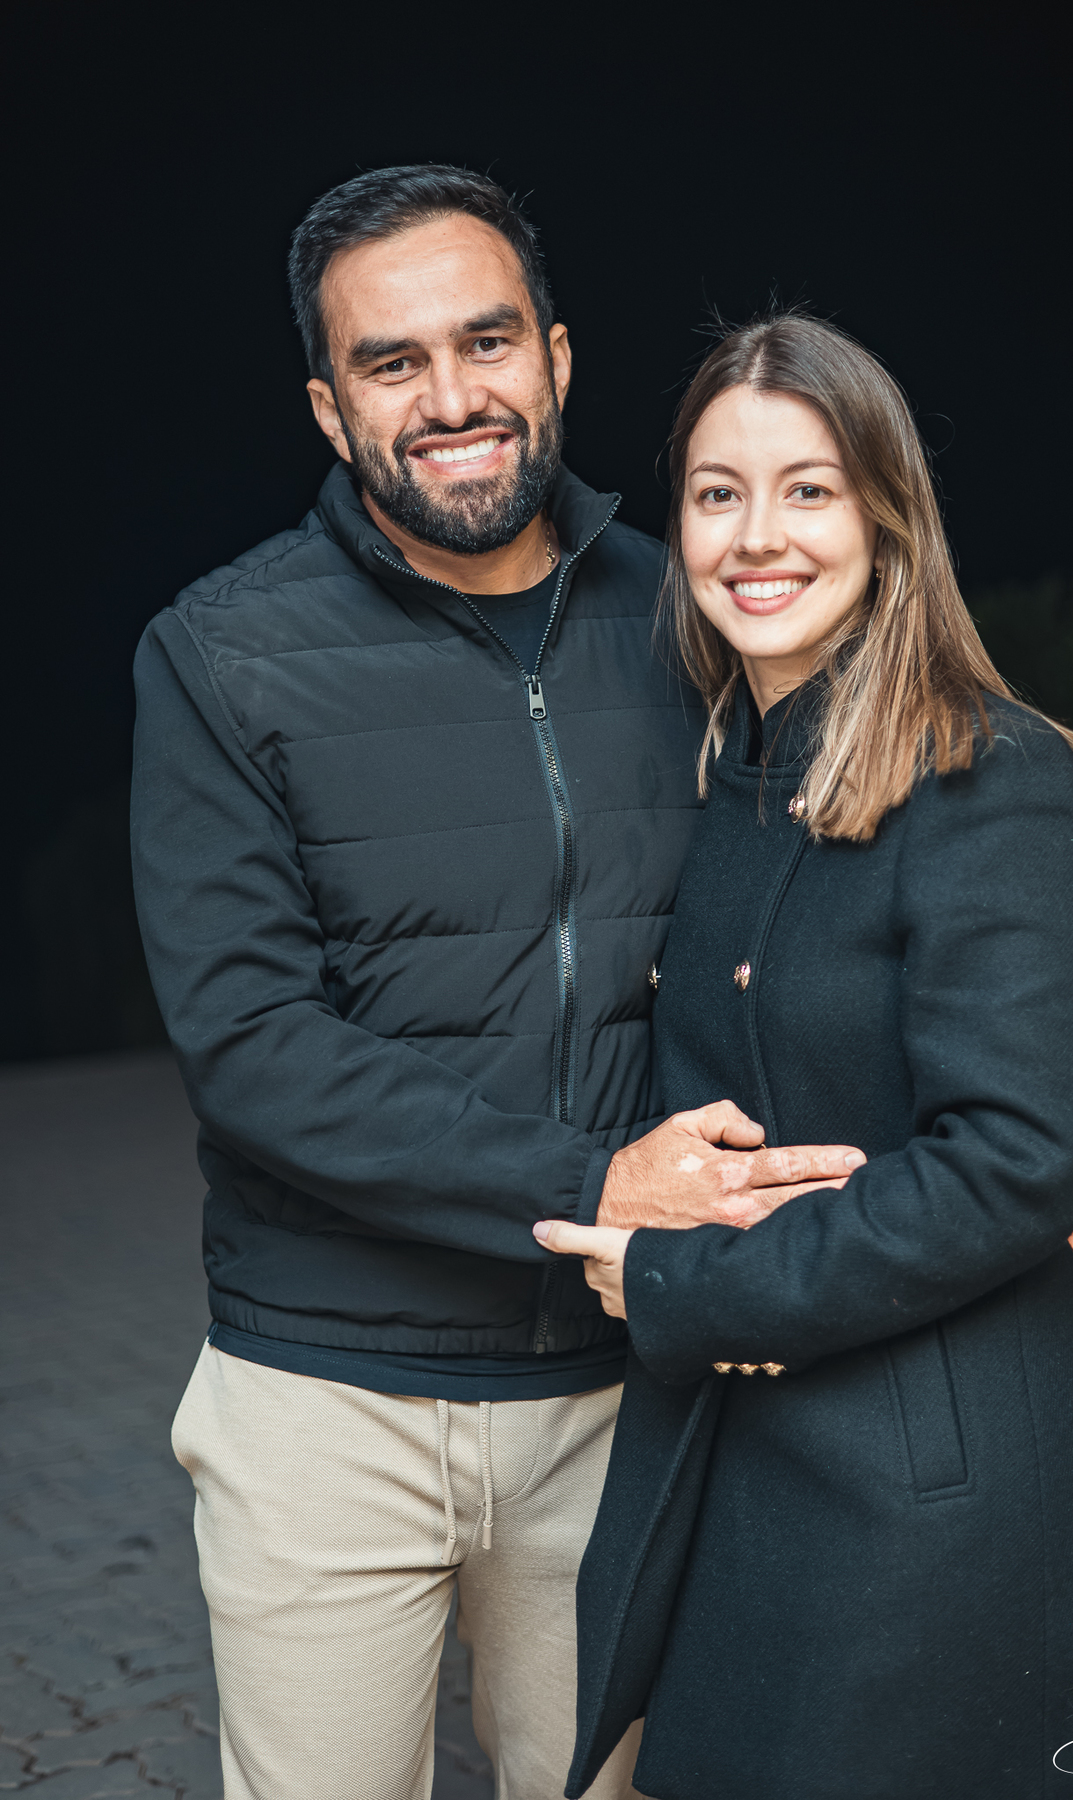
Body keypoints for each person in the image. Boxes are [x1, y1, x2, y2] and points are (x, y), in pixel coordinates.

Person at [130, 171, 861, 1800]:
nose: (453, 396)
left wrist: (955, 1164)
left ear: (557, 356)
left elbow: (816, 926)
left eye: (487, 341)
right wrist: (596, 1183)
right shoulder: (221, 654)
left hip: (626, 1384)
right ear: (329, 410)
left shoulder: (691, 616)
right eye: (391, 363)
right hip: (326, 1398)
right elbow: (250, 1045)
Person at [537, 313, 1073, 1800]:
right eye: (717, 492)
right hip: (748, 1450)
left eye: (807, 489)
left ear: (886, 514)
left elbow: (1015, 1162)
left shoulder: (986, 772)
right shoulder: (727, 775)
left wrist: (690, 1282)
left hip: (930, 1477)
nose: (758, 535)